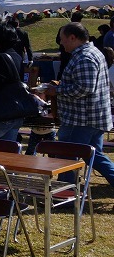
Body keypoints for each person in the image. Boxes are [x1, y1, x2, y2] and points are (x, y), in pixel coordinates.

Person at [43, 22, 114, 185]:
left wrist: (57, 91)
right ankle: (68, 191)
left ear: (73, 37)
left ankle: (65, 192)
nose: (61, 43)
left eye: (62, 39)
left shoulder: (85, 57)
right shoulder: (91, 52)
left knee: (67, 158)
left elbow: (84, 88)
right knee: (94, 157)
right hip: (91, 117)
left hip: (81, 119)